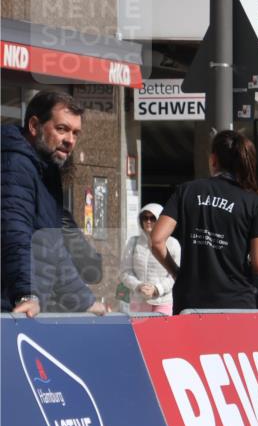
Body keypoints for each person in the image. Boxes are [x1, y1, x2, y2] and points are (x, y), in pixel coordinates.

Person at [1, 90, 106, 317]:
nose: (70, 140)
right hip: (12, 307)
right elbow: (14, 231)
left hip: (26, 306)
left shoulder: (46, 169)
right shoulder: (15, 163)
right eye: (62, 129)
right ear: (34, 126)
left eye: (76, 133)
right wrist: (26, 293)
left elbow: (53, 247)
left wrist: (84, 300)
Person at [151, 130, 258, 313]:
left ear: (213, 160)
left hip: (190, 302)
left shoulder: (186, 191)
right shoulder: (254, 203)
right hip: (236, 305)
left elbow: (157, 240)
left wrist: (178, 273)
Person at [120, 203, 180, 315]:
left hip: (163, 302)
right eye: (145, 218)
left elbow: (175, 275)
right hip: (138, 301)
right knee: (138, 333)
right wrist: (138, 286)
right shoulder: (133, 242)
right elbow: (125, 272)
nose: (148, 221)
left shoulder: (173, 243)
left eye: (152, 218)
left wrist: (157, 289)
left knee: (161, 332)